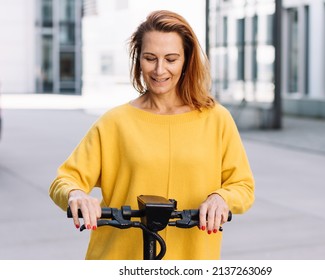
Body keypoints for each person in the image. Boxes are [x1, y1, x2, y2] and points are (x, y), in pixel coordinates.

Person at [49, 10, 255, 260]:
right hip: (119, 261)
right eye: (150, 58)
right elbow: (65, 180)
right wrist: (77, 195)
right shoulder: (115, 122)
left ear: (186, 60)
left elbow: (242, 186)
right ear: (138, 60)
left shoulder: (216, 119)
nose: (159, 70)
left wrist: (221, 198)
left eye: (171, 59)